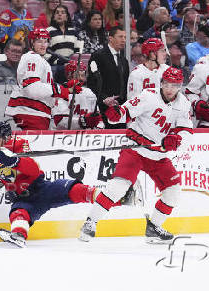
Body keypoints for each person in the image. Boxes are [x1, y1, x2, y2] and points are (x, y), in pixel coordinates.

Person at [0, 121, 132, 247]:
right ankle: (19, 236)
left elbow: (33, 169)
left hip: (41, 188)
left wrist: (14, 161)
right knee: (18, 213)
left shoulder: (20, 145)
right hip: (23, 197)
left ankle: (120, 199)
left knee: (77, 190)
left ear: (7, 138)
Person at [79, 67, 193, 244]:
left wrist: (176, 140)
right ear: (161, 83)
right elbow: (123, 113)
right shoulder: (148, 96)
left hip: (158, 156)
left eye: (175, 85)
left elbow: (186, 132)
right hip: (135, 149)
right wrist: (116, 115)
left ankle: (154, 227)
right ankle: (90, 222)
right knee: (118, 187)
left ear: (180, 86)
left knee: (173, 192)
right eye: (167, 84)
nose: (170, 88)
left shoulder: (183, 104)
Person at [5, 28, 78, 130]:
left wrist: (64, 87)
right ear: (32, 43)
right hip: (31, 112)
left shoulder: (38, 59)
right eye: (39, 41)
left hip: (35, 112)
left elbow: (43, 87)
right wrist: (60, 89)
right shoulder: (33, 58)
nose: (43, 45)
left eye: (45, 41)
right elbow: (32, 88)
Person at [87, 25, 129, 129]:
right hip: (103, 108)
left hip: (121, 108)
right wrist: (104, 99)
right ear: (110, 38)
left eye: (125, 37)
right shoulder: (98, 56)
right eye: (120, 37)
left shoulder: (124, 60)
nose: (123, 40)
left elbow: (126, 83)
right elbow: (92, 82)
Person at [51, 60, 103, 130]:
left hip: (88, 136)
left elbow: (98, 118)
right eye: (79, 70)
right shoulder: (61, 91)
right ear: (69, 75)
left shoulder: (89, 92)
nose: (83, 72)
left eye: (84, 70)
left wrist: (98, 128)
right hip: (64, 137)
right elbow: (59, 122)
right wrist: (82, 121)